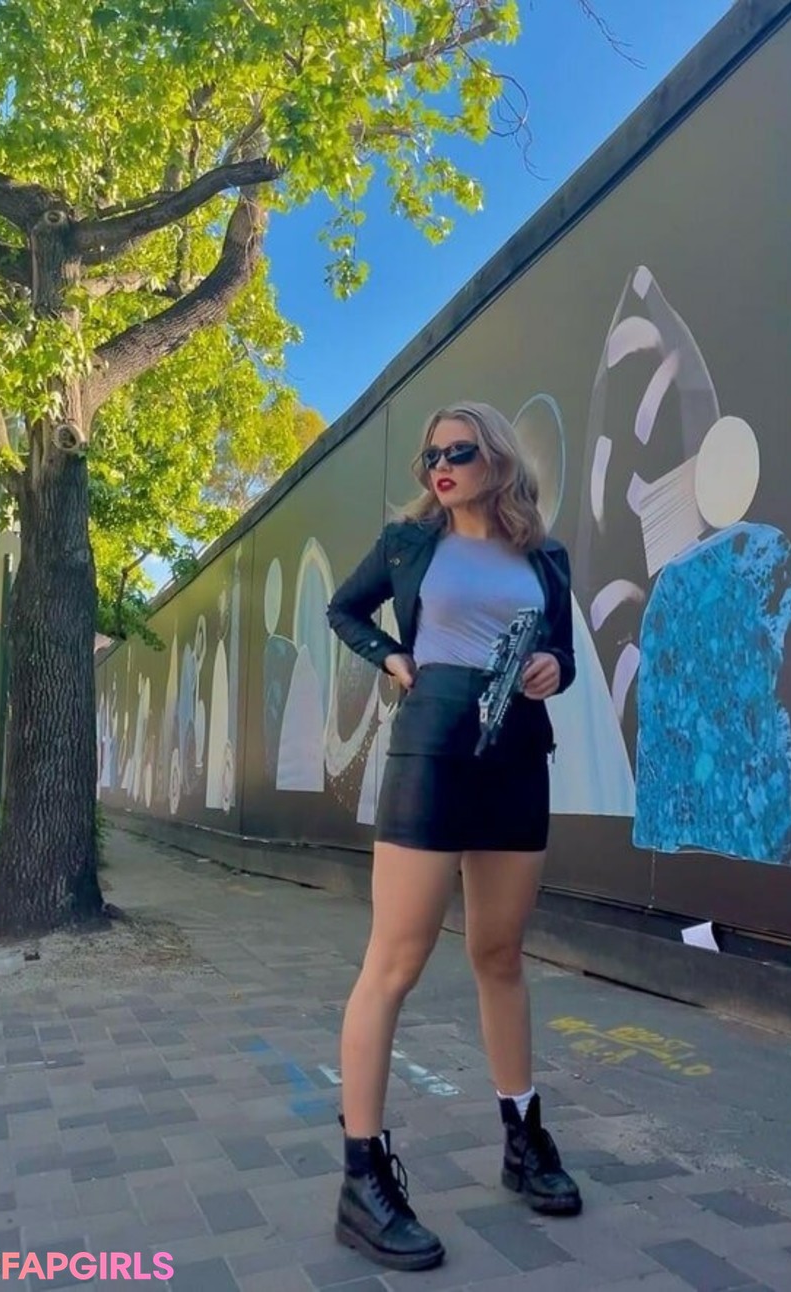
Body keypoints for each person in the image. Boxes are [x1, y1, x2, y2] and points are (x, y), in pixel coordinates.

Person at [325, 400, 582, 1271]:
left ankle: (523, 1139)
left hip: (518, 753)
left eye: (459, 452)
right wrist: (392, 658)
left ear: (497, 458)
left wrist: (551, 668)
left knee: (500, 954)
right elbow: (345, 609)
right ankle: (361, 1181)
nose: (440, 466)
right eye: (431, 456)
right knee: (395, 961)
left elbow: (563, 656)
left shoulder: (545, 557)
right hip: (432, 745)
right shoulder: (409, 545)